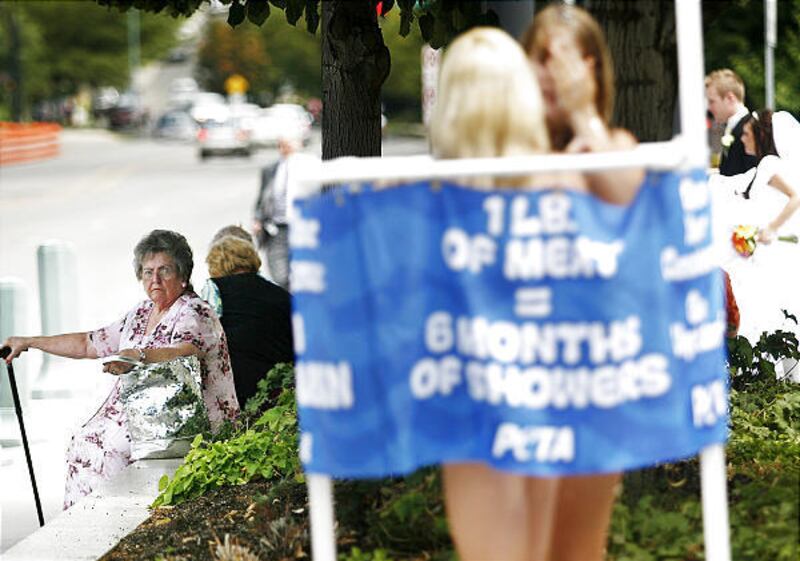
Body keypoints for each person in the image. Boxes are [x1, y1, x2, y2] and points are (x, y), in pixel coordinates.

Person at [429, 10, 644, 561]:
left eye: (572, 59)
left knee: (576, 550)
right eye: (543, 57)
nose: (555, 73)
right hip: (499, 385)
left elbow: (633, 200)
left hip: (584, 389)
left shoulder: (609, 147)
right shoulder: (487, 162)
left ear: (595, 70)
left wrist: (585, 120)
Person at [2, 230, 240, 509]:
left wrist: (137, 356)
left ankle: (106, 527)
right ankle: (86, 530)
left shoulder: (194, 312)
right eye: (148, 272)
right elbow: (88, 343)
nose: (155, 280)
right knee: (84, 440)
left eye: (164, 270)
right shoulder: (141, 313)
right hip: (150, 421)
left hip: (184, 428)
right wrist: (29, 342)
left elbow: (183, 351)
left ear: (183, 274)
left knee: (111, 449)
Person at [727, 109, 800, 366]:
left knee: (763, 309)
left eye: (746, 134)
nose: (743, 139)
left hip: (769, 252)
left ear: (760, 135)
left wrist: (771, 228)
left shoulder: (769, 164)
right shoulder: (769, 165)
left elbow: (796, 197)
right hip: (768, 250)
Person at [202, 233, 294, 406]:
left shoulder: (213, 296)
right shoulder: (282, 296)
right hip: (281, 392)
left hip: (233, 397)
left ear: (214, 266)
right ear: (252, 258)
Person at [253, 132, 303, 290]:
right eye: (281, 145)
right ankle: (287, 293)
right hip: (277, 226)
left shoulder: (307, 167)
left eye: (288, 145)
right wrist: (258, 219)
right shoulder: (271, 169)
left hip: (300, 224)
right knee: (277, 270)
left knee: (300, 267)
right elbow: (262, 197)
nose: (284, 149)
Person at [705, 69, 758, 177]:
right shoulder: (734, 128)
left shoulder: (751, 129)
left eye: (712, 101)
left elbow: (753, 176)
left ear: (730, 98)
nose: (709, 108)